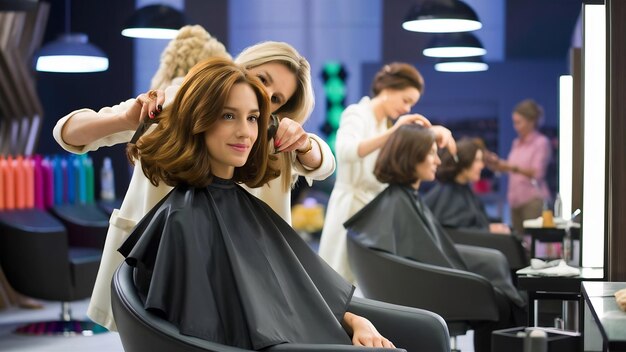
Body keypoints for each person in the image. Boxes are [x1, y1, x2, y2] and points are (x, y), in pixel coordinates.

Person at [53, 30, 334, 330]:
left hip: (236, 273)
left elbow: (322, 163)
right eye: (263, 79)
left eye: (276, 99)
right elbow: (66, 132)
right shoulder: (175, 102)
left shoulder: (268, 136)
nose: (264, 95)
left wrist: (304, 143)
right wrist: (125, 120)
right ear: (242, 66)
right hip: (153, 259)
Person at [119, 57, 394, 349]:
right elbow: (223, 333)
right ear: (198, 119)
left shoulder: (243, 206)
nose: (245, 132)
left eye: (252, 118)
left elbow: (294, 294)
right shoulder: (182, 218)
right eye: (228, 116)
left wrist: (356, 321)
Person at [344, 124, 526, 352]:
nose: (438, 161)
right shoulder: (399, 203)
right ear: (412, 156)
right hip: (421, 291)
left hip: (425, 284)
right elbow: (422, 257)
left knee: (498, 295)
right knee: (498, 302)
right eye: (431, 153)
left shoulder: (404, 198)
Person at [318, 62, 456, 282]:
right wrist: (395, 131)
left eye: (411, 104)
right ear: (389, 89)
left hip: (373, 210)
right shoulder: (356, 114)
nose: (407, 109)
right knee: (340, 277)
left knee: (364, 279)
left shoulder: (384, 126)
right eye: (406, 100)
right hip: (349, 208)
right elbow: (345, 151)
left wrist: (430, 133)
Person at [485, 99, 551, 235]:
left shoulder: (541, 143)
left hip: (532, 201)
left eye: (518, 122)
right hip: (515, 201)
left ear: (531, 122)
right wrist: (495, 164)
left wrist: (511, 167)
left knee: (532, 241)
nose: (515, 127)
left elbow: (537, 173)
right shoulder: (517, 143)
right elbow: (510, 168)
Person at [424, 137, 511, 234]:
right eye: (477, 160)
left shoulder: (464, 190)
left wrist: (491, 227)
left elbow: (474, 220)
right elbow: (455, 234)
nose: (482, 165)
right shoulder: (449, 195)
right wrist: (488, 230)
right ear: (464, 163)